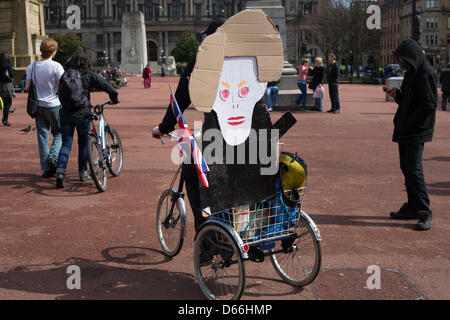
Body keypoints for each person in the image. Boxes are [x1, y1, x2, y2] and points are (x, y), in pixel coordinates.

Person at [151, 18, 225, 232]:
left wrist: (163, 128)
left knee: (191, 172)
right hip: (253, 135)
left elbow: (181, 98)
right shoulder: (247, 57)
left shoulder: (202, 58)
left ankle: (205, 234)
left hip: (218, 134)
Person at [383, 39, 437, 231]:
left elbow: (429, 105)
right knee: (407, 168)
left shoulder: (426, 73)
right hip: (406, 128)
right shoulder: (411, 73)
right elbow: (407, 99)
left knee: (414, 170)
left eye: (401, 59)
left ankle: (424, 211)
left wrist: (409, 121)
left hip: (416, 130)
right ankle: (413, 206)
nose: (400, 63)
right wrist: (396, 95)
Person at [55, 51, 119, 188]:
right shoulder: (88, 75)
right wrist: (114, 96)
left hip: (66, 114)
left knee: (66, 144)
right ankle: (83, 172)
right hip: (82, 114)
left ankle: (60, 172)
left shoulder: (65, 75)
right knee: (83, 144)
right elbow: (106, 85)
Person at [25, 38, 64, 178]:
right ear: (53, 51)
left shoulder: (32, 66)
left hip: (38, 105)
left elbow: (27, 87)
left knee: (42, 136)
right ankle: (53, 157)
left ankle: (46, 168)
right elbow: (61, 87)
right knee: (59, 133)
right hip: (54, 104)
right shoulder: (57, 66)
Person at [0, 51, 16, 126]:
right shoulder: (8, 65)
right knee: (7, 103)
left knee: (2, 102)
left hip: (0, 85)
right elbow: (12, 75)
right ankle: (5, 119)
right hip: (7, 86)